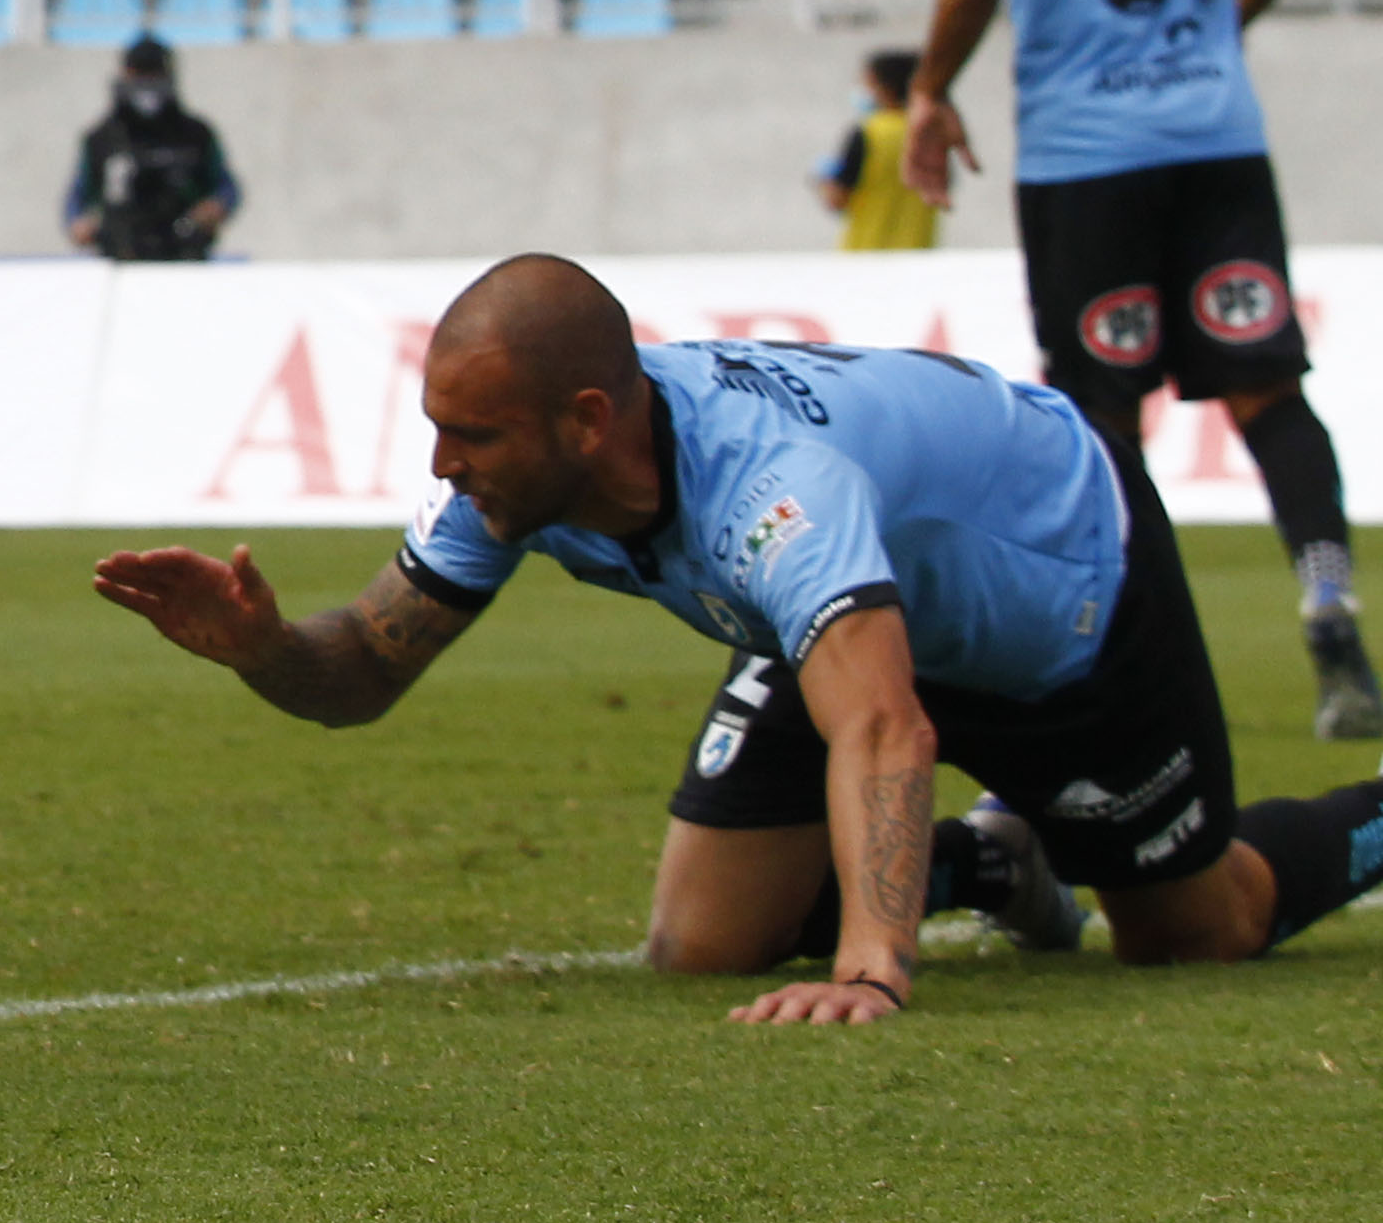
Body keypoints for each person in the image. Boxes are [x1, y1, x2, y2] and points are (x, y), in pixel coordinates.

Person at [97, 255, 1383, 1021]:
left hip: (1063, 588)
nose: (444, 464)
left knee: (1194, 931)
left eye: (471, 436)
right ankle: (995, 867)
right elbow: (364, 671)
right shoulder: (515, 489)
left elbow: (885, 725)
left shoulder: (775, 492)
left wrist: (871, 975)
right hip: (839, 615)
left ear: (586, 421)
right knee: (704, 945)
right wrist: (263, 647)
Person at [901, 0, 1373, 739]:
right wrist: (1216, 33)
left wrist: (932, 88)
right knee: (1268, 388)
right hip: (1216, 139)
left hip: (1087, 157)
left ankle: (1143, 668)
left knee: (1104, 424)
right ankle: (1330, 604)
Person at [62, 36, 236, 261]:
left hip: (184, 258)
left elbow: (226, 186)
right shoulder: (101, 138)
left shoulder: (196, 135)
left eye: (154, 73)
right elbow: (78, 194)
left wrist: (216, 207)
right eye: (139, 73)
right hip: (120, 258)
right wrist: (77, 223)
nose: (146, 83)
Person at [817, 49, 936, 251]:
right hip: (918, 252)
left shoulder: (867, 133)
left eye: (867, 84)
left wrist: (823, 181)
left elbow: (838, 199)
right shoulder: (929, 133)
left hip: (868, 255)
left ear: (885, 88)